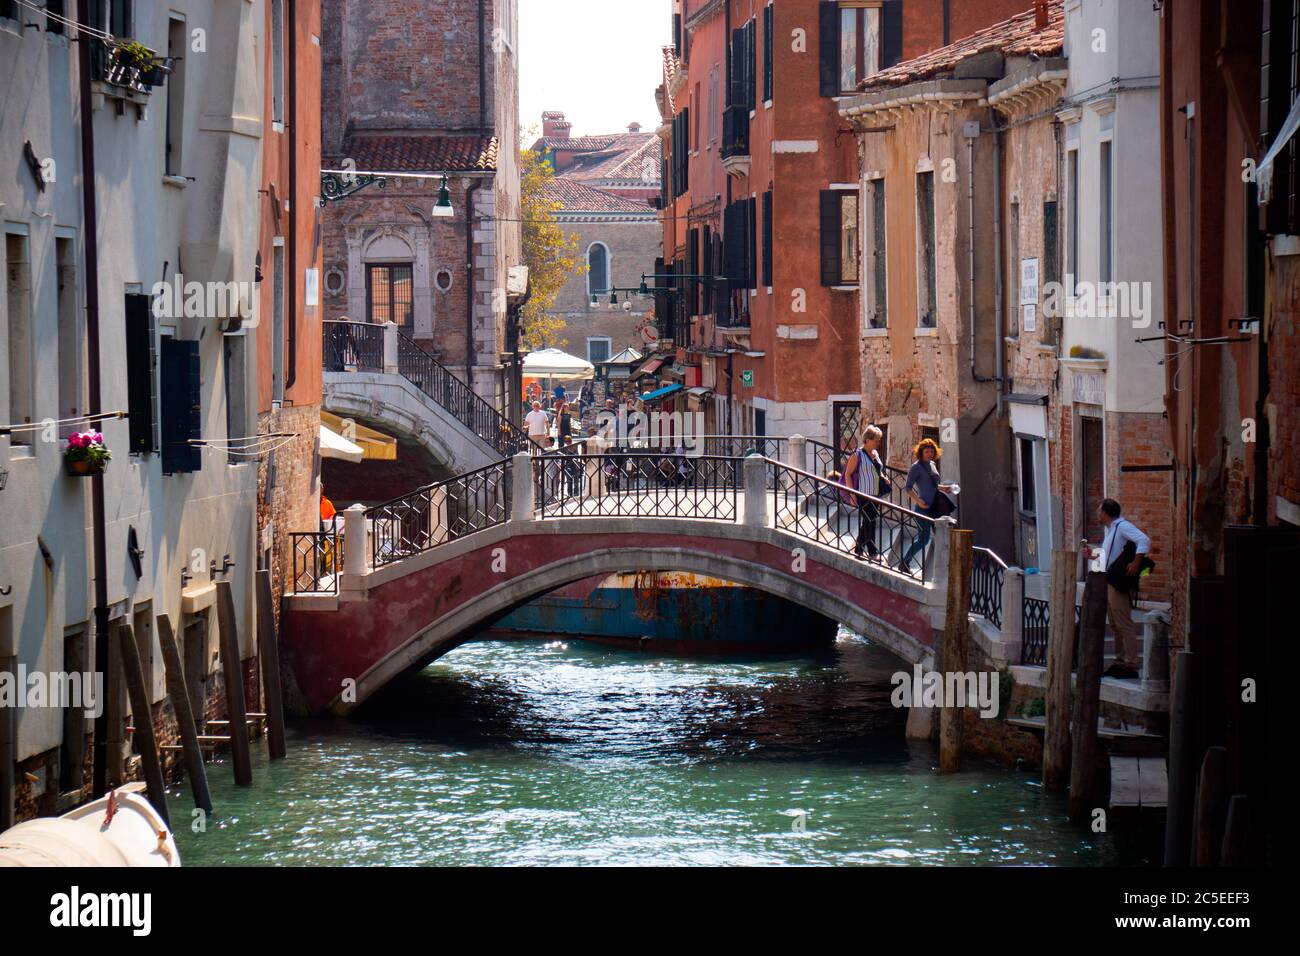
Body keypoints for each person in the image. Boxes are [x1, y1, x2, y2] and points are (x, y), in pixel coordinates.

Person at [1091, 498, 1152, 680]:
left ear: (1105, 513)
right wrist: (1091, 554)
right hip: (1109, 580)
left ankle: (1131, 664)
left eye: (1098, 510)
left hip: (1117, 583)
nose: (1097, 513)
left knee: (1123, 623)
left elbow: (1144, 540)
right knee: (1116, 624)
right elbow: (1110, 557)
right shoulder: (1111, 531)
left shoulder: (1122, 526)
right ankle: (1120, 662)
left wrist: (1136, 562)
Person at [898, 438, 955, 573]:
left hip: (936, 507)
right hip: (923, 508)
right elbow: (908, 488)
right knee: (923, 539)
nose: (929, 453)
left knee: (942, 537)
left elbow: (932, 486)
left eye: (931, 451)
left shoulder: (933, 464)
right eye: (926, 451)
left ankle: (945, 568)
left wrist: (944, 488)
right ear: (921, 452)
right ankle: (905, 562)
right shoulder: (916, 467)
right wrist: (918, 500)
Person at [843, 424, 888, 560]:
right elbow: (847, 475)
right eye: (876, 440)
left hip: (876, 493)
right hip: (864, 493)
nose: (878, 443)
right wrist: (852, 495)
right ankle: (873, 553)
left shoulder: (875, 454)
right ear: (867, 439)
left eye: (879, 440)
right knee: (871, 522)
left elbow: (878, 470)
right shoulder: (857, 455)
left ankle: (858, 549)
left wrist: (884, 478)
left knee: (868, 522)